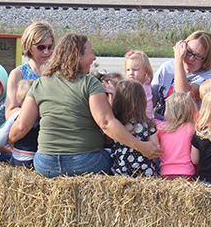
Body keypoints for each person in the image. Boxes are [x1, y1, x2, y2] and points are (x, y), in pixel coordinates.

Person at [8, 33, 162, 178]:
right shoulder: (90, 84)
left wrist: (8, 142)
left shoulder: (39, 84)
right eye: (91, 53)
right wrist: (141, 146)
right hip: (86, 163)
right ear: (78, 57)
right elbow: (107, 123)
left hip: (46, 164)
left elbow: (22, 125)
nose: (94, 58)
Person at [151, 31, 211, 121]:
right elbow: (151, 102)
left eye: (198, 56)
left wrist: (179, 60)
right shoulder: (166, 68)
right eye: (189, 52)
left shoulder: (210, 76)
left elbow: (184, 95)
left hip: (187, 127)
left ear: (206, 59)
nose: (191, 59)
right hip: (160, 125)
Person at [4, 22, 55, 119]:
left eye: (50, 47)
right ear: (29, 47)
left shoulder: (57, 72)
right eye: (41, 47)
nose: (46, 52)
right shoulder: (17, 74)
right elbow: (9, 112)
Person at [110, 80, 158, 177]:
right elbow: (156, 148)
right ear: (143, 101)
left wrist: (111, 96)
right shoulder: (147, 125)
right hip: (144, 173)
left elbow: (109, 116)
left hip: (120, 172)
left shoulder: (117, 124)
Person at [0, 80, 38, 167]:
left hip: (17, 159)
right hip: (36, 160)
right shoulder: (42, 115)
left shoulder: (16, 115)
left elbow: (3, 132)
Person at [157, 92, 197, 180]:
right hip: (187, 173)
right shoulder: (191, 128)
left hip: (166, 172)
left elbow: (154, 145)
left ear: (171, 112)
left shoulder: (162, 128)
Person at [123, 50, 154, 119]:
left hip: (143, 119)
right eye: (128, 70)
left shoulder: (144, 87)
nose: (131, 73)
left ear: (146, 71)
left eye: (135, 70)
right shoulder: (128, 85)